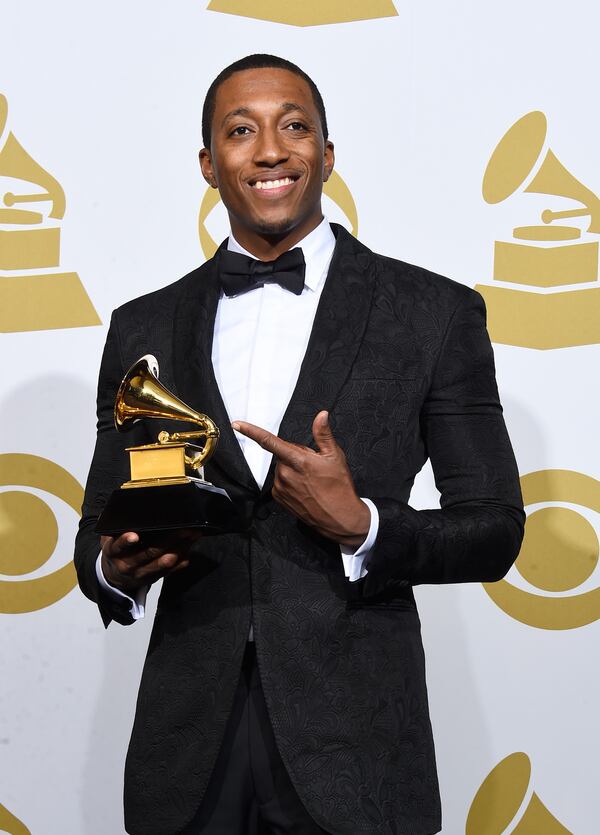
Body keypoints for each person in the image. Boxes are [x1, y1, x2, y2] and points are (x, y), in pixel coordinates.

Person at [75, 54, 525, 835]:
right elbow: (97, 527)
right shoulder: (141, 325)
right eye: (241, 131)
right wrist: (113, 569)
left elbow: (495, 526)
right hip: (185, 753)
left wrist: (366, 526)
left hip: (359, 751)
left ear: (327, 151)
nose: (272, 149)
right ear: (209, 164)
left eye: (295, 126)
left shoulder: (434, 312)